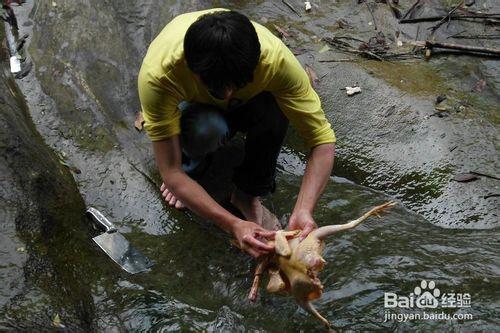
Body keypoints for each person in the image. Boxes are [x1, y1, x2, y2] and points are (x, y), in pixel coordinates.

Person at [138, 9, 336, 258]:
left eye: (238, 84)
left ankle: (247, 193)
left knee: (277, 103)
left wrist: (304, 210)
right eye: (217, 87)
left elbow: (322, 142)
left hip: (252, 102)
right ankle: (193, 167)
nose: (229, 94)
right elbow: (170, 172)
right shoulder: (160, 75)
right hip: (198, 111)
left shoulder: (275, 61)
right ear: (192, 70)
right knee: (206, 130)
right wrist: (232, 223)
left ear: (256, 63)